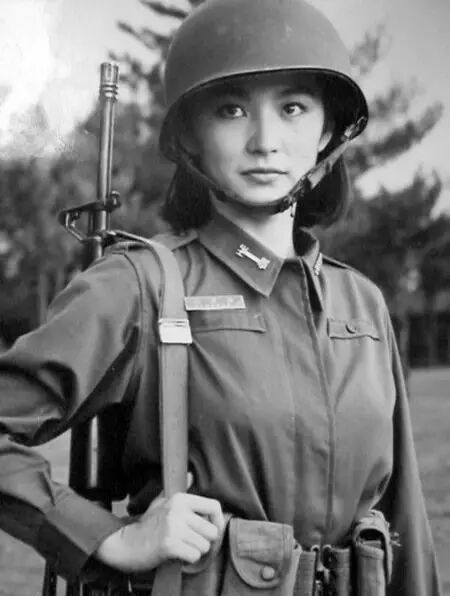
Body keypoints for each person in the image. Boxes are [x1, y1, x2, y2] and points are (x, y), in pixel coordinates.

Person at [0, 0, 442, 594]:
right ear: (190, 134)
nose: (265, 141)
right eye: (231, 110)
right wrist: (107, 538)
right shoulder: (140, 285)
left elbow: (403, 518)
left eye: (292, 107)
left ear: (327, 130)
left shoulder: (362, 306)